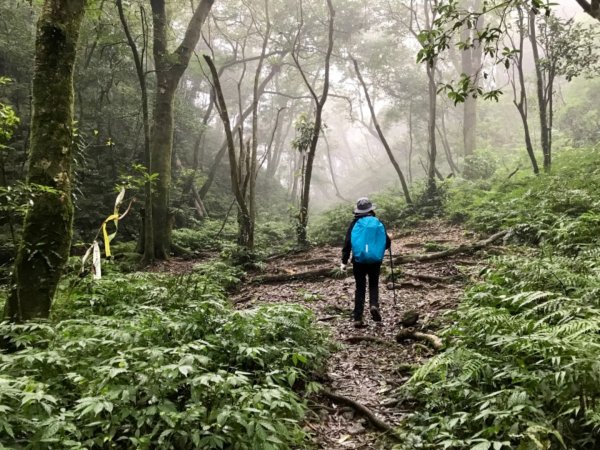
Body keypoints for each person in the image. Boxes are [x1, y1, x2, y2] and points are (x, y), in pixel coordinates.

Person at [341, 197, 391, 328]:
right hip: (375, 261)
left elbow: (347, 243)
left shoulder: (354, 224)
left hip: (358, 261)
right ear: (371, 209)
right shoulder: (377, 222)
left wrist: (344, 262)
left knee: (360, 288)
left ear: (358, 210)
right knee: (373, 285)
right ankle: (374, 305)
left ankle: (358, 318)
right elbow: (386, 243)